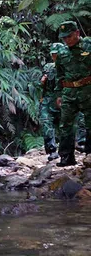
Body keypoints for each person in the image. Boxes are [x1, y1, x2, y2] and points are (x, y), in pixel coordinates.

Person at [40, 43, 88, 162]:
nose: (55, 57)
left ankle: (80, 143)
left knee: (77, 121)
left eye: (57, 54)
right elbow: (43, 86)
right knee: (46, 123)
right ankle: (52, 150)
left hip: (69, 97)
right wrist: (42, 82)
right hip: (50, 100)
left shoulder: (70, 66)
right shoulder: (48, 67)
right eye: (53, 54)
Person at [55, 21, 91, 166]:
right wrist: (58, 94)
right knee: (65, 125)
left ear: (77, 33)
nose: (67, 40)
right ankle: (66, 157)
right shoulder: (62, 53)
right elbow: (59, 75)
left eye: (69, 36)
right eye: (64, 38)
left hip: (87, 90)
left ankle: (89, 154)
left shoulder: (88, 46)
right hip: (69, 92)